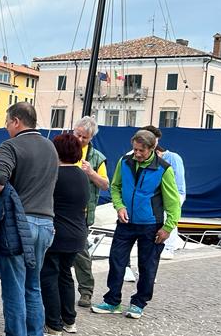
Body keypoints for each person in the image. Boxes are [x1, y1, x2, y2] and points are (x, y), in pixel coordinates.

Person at [0, 102, 58, 336]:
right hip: (46, 223)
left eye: (6, 122)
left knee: (13, 284)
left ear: (16, 121)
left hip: (18, 223)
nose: (6, 127)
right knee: (32, 282)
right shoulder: (51, 147)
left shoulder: (11, 146)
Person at [93, 129, 181, 318]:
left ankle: (139, 303)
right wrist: (119, 206)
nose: (137, 154)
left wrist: (168, 227)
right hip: (126, 222)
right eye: (135, 150)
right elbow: (115, 186)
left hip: (151, 225)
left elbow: (173, 202)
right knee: (116, 261)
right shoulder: (124, 162)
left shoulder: (164, 169)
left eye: (142, 150)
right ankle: (112, 301)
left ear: (151, 148)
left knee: (147, 266)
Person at [40, 133, 90, 336]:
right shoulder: (82, 176)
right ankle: (69, 320)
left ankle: (53, 324)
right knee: (66, 275)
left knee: (49, 276)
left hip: (57, 233)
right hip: (77, 234)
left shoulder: (53, 175)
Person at [71, 116, 109, 307]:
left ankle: (86, 291)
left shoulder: (97, 158)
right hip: (57, 209)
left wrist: (91, 173)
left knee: (80, 252)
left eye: (84, 138)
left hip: (81, 213)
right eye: (77, 134)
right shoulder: (60, 148)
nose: (79, 139)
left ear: (90, 138)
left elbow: (105, 185)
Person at [141, 125, 187, 258]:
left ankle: (169, 248)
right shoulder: (143, 156)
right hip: (156, 193)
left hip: (174, 192)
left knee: (169, 216)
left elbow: (177, 183)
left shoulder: (173, 157)